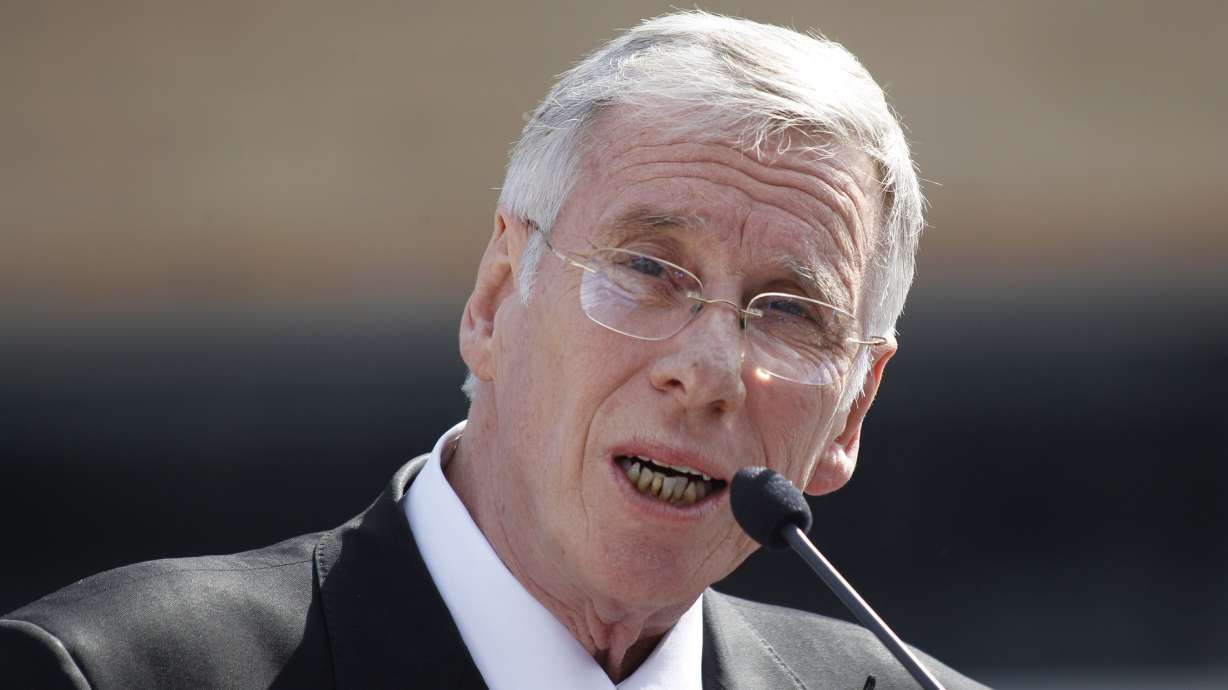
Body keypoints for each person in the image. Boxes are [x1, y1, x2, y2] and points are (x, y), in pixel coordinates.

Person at [1, 11, 989, 689]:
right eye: (647, 267)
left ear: (851, 410)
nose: (709, 371)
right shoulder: (110, 673)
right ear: (494, 298)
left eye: (786, 311)